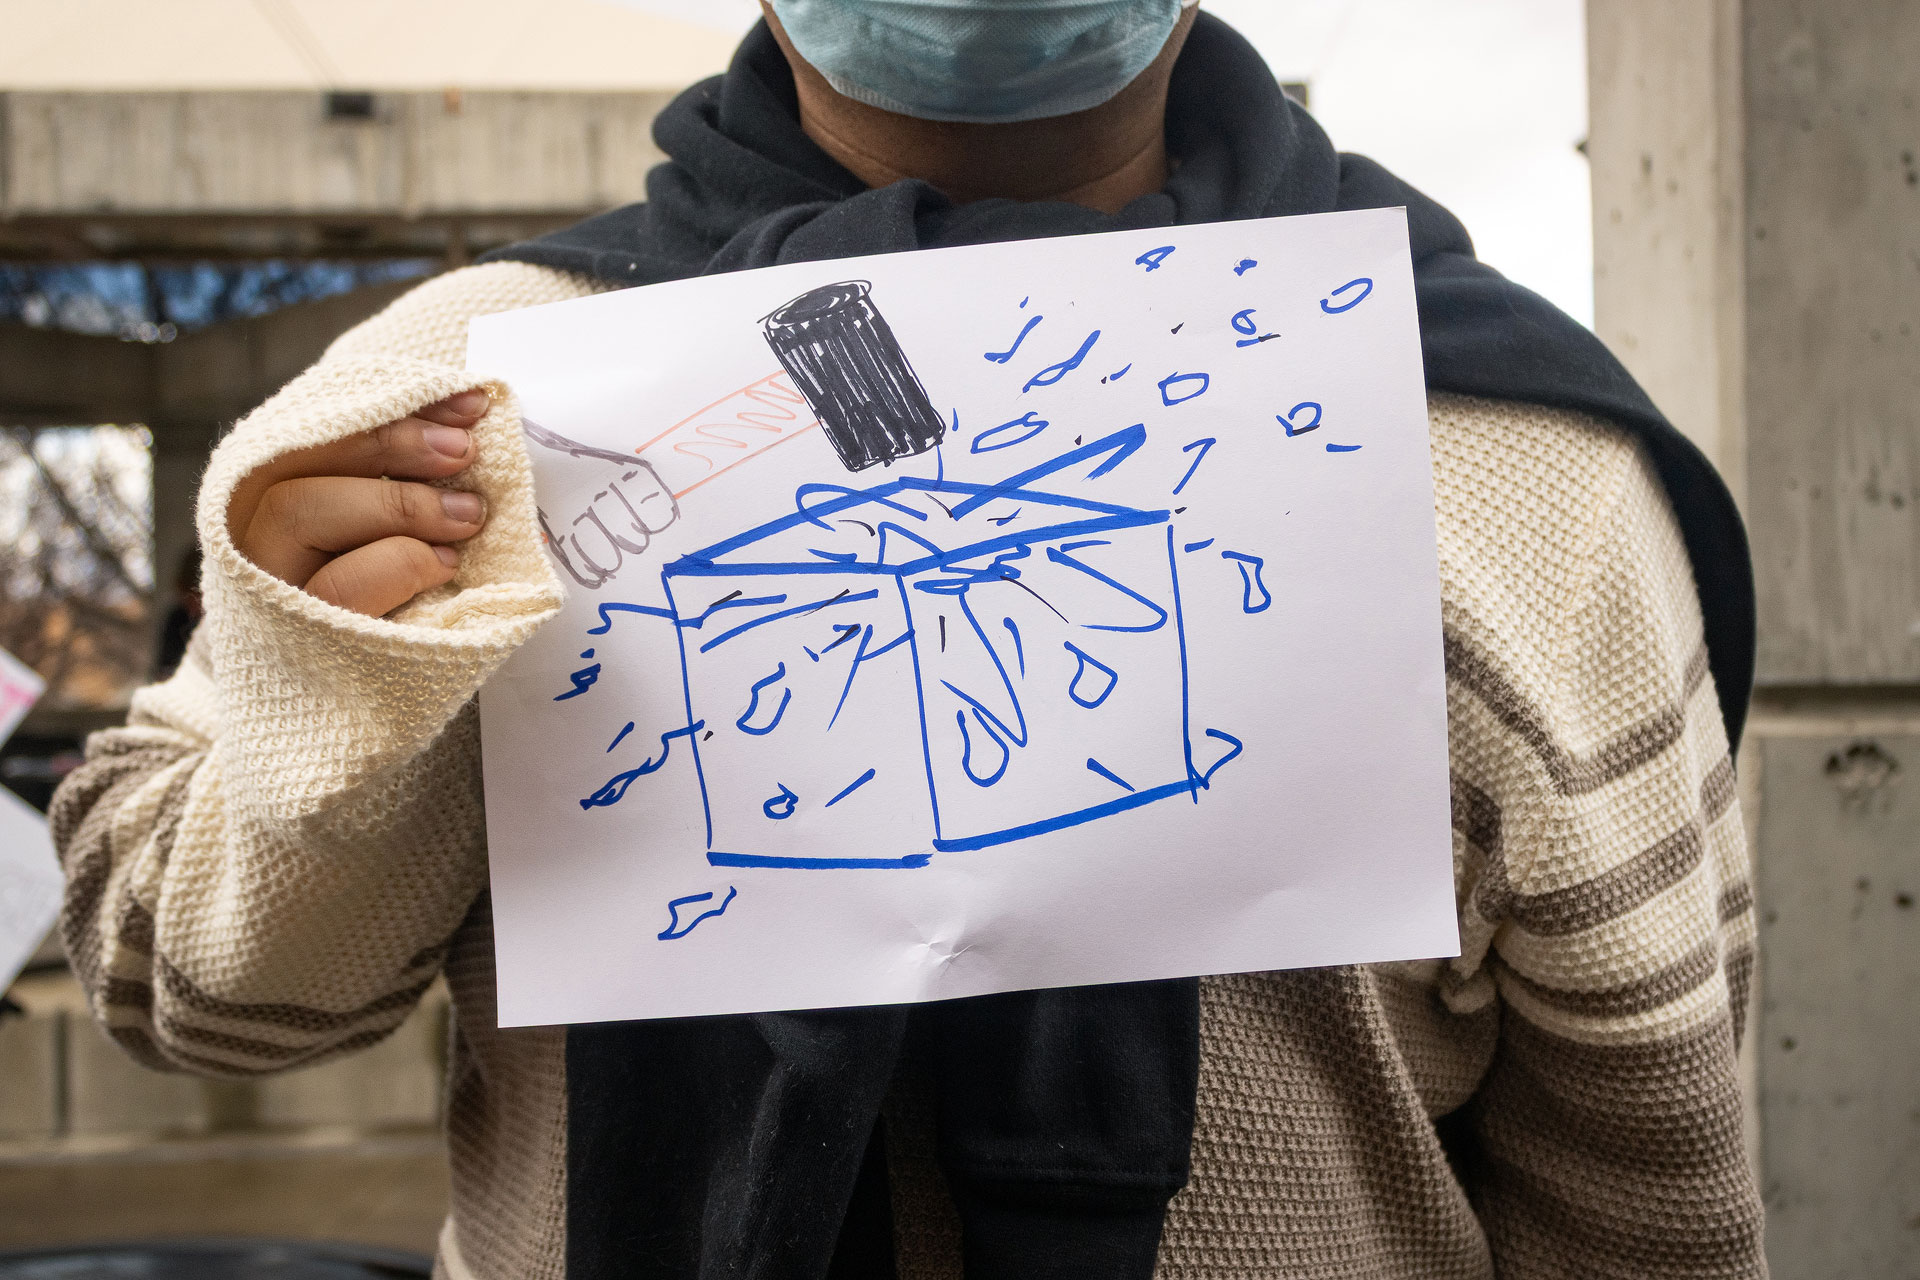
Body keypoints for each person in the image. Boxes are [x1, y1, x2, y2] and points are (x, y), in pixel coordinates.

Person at [51, 4, 1766, 1278]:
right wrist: (335, 697)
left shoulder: (1518, 468)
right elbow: (185, 997)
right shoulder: (459, 403)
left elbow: (1646, 1185)